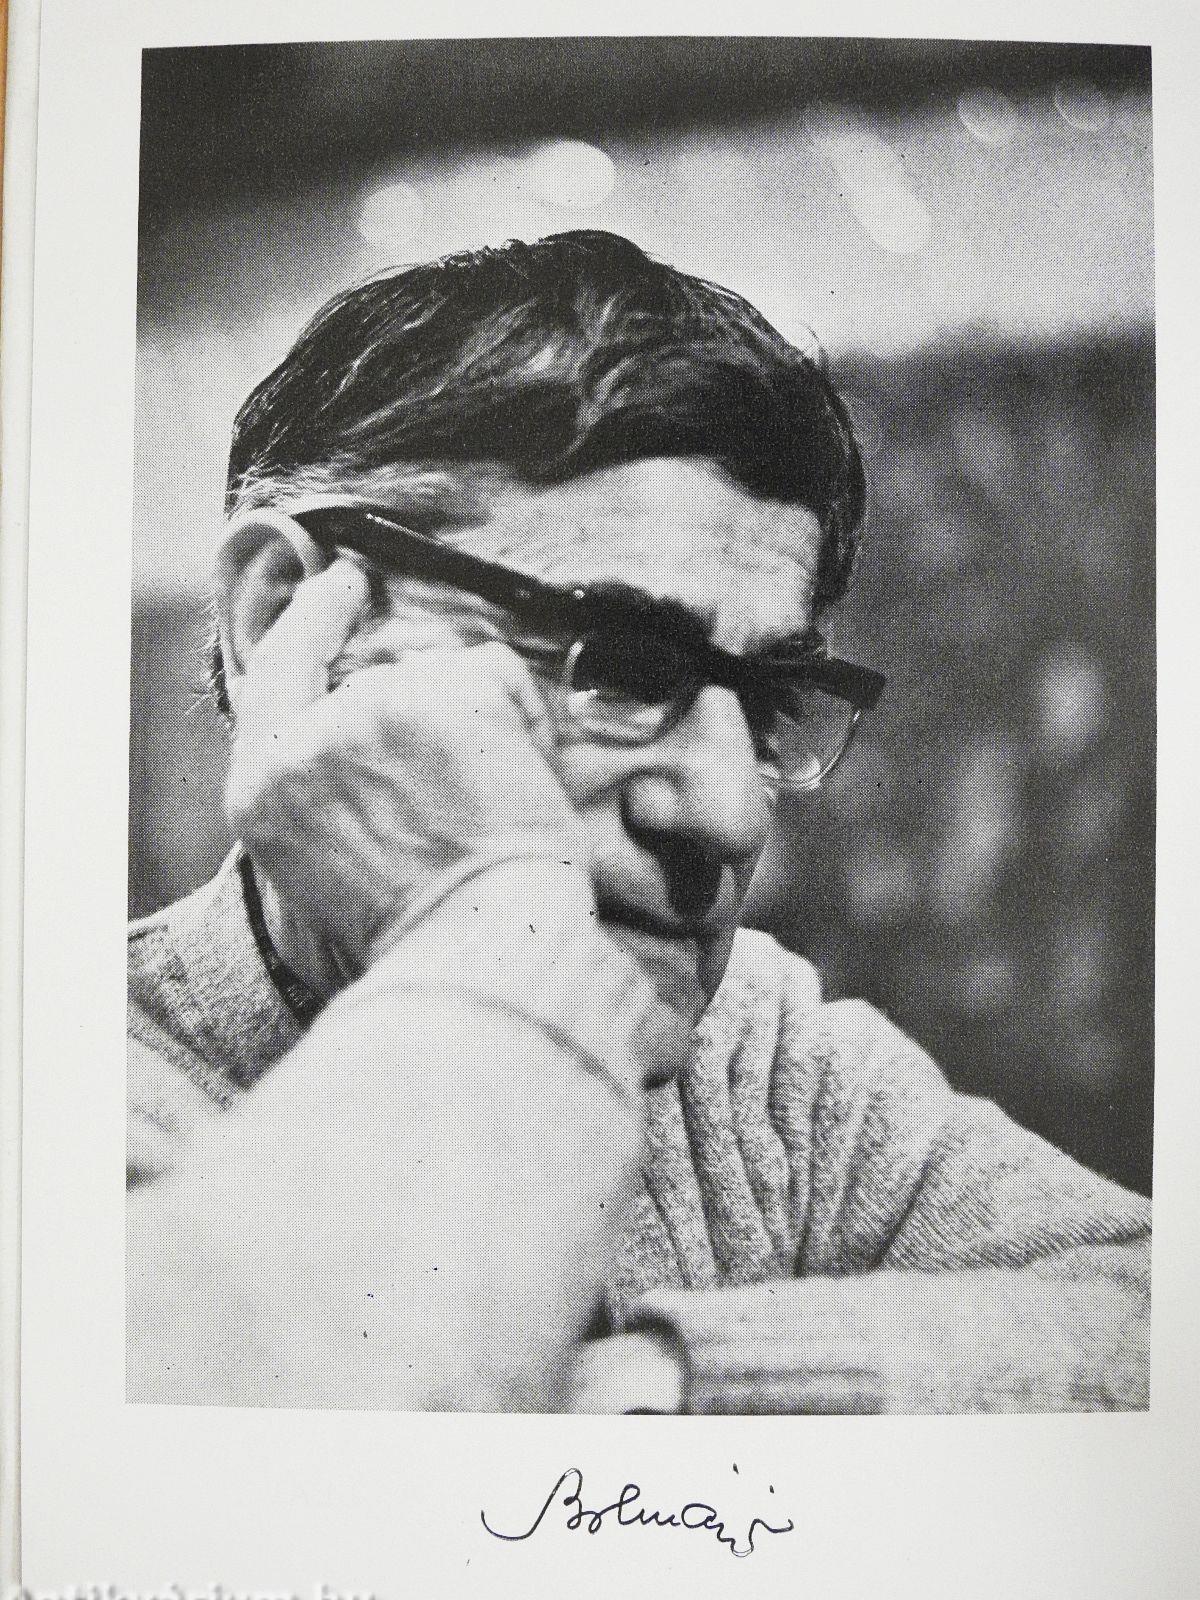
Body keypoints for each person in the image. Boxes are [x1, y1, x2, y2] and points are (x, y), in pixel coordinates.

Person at [126, 230, 1150, 1414]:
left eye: (768, 701)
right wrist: (488, 919)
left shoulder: (761, 1059)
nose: (728, 809)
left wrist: (677, 1385)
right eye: (616, 664)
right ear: (285, 620)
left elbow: (1151, 1321)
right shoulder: (64, 1082)